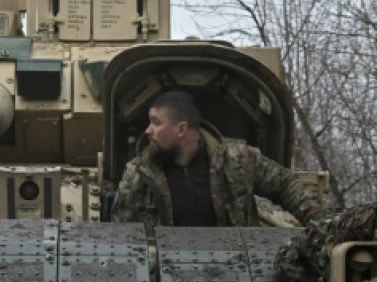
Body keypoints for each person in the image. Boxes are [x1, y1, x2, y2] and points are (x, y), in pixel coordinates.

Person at [110, 90, 324, 228]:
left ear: (181, 129)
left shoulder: (237, 160)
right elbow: (121, 233)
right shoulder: (138, 174)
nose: (148, 131)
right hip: (165, 276)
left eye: (156, 123)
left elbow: (285, 184)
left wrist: (321, 224)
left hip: (236, 267)